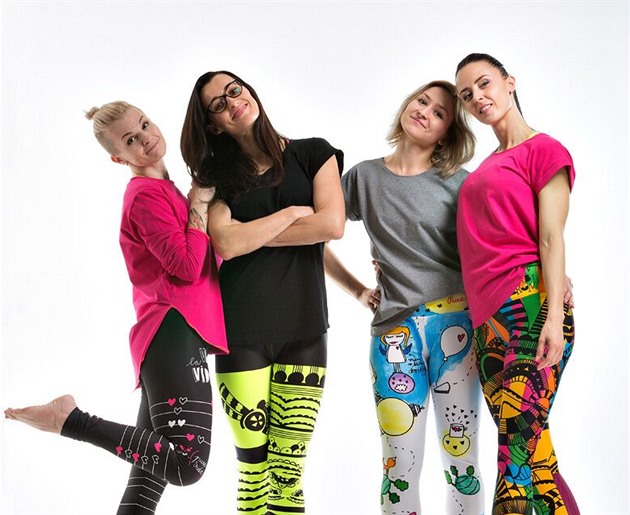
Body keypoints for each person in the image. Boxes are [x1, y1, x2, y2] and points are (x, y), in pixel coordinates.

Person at [4, 101, 228, 515]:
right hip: (173, 329)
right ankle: (71, 420)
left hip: (175, 333)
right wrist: (199, 205)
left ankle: (70, 421)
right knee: (187, 464)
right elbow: (185, 266)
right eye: (130, 140)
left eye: (145, 124)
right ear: (118, 157)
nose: (146, 138)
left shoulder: (166, 191)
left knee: (145, 487)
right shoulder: (145, 197)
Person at [180, 71, 345, 515]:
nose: (232, 101)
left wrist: (248, 234)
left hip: (305, 329)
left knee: (288, 477)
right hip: (241, 332)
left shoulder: (313, 153)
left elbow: (332, 225)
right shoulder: (220, 177)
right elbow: (225, 243)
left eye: (234, 89)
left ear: (249, 90)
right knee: (254, 473)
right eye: (218, 104)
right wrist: (291, 213)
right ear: (213, 124)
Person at [323, 80, 485, 514]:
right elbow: (317, 234)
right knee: (399, 467)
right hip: (395, 334)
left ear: (446, 134)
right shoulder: (363, 177)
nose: (425, 112)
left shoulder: (461, 184)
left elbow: (494, 246)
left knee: (462, 461)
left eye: (439, 113)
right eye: (422, 101)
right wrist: (358, 289)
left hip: (458, 330)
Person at [454, 53, 580, 515]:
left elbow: (551, 237)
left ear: (510, 82)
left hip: (530, 305)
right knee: (531, 454)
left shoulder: (543, 149)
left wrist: (554, 315)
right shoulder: (484, 166)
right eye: (467, 94)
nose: (477, 97)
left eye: (484, 83)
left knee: (514, 458)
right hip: (486, 318)